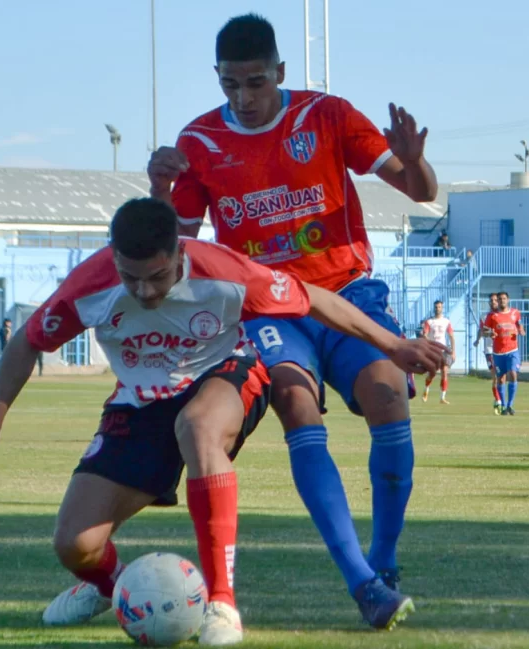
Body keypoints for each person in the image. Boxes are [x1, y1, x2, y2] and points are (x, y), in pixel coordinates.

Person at [0, 199, 444, 645]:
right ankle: (117, 590)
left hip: (227, 371)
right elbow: (27, 341)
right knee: (75, 544)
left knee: (199, 428)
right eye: (130, 277)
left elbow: (314, 298)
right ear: (115, 260)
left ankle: (221, 604)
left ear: (179, 256)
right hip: (139, 400)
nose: (143, 290)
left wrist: (394, 345)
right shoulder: (89, 285)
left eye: (157, 277)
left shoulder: (225, 271)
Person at [147, 13, 438, 629]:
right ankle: (362, 584)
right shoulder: (198, 143)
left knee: (389, 395)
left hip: (348, 291)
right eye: (231, 86)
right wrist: (159, 186)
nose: (244, 98)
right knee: (294, 401)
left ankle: (383, 560)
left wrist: (416, 162)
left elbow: (417, 191)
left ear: (280, 72)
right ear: (218, 79)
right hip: (269, 304)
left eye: (255, 83)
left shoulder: (326, 116)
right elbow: (172, 245)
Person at [484, 291, 525, 416]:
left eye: (504, 298)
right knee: (500, 379)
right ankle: (502, 403)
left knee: (512, 373)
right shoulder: (492, 316)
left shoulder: (515, 313)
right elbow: (485, 330)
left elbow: (519, 323)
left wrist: (521, 329)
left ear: (508, 300)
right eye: (500, 299)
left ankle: (510, 405)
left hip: (512, 350)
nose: (502, 301)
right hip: (498, 352)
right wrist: (489, 334)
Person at [421, 301, 455, 404]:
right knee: (432, 373)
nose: (438, 309)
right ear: (434, 308)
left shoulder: (446, 321)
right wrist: (428, 341)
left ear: (442, 308)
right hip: (433, 350)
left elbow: (451, 336)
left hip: (443, 350)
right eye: (436, 307)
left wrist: (453, 351)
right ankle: (426, 389)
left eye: (440, 307)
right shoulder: (429, 321)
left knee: (445, 372)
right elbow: (425, 334)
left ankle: (442, 397)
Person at [474, 293, 502, 414]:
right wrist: (478, 339)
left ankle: (500, 399)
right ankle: (498, 400)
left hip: (502, 349)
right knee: (495, 376)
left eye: (496, 300)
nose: (493, 302)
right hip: (490, 350)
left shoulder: (503, 315)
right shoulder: (485, 316)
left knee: (503, 377)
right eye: (491, 300)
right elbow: (482, 330)